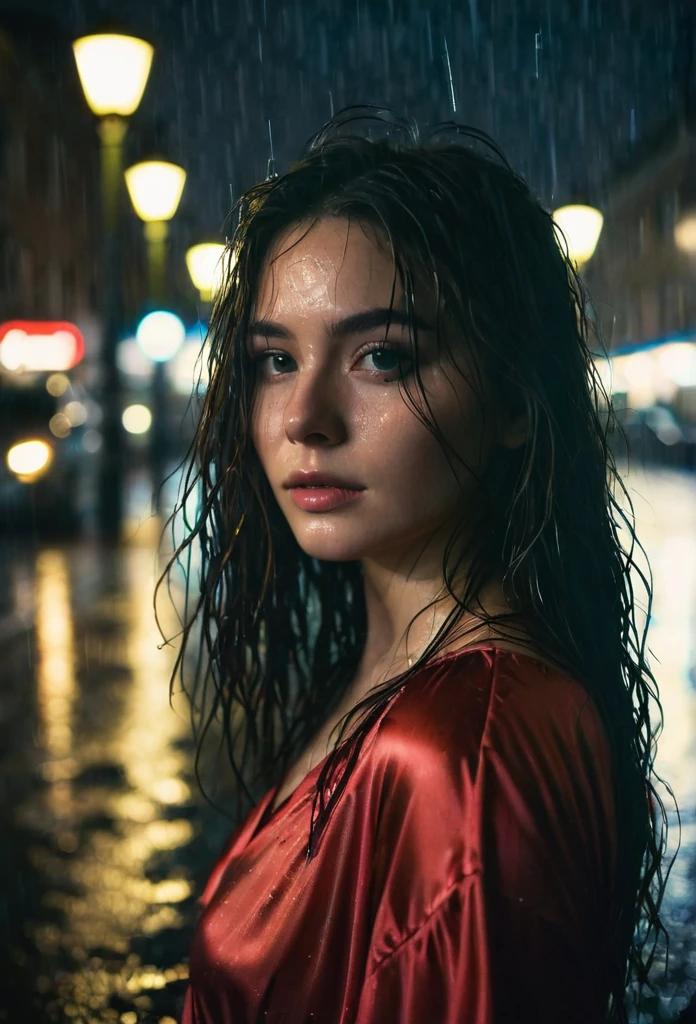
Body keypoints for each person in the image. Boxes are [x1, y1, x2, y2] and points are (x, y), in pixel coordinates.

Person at [158, 107, 674, 1023]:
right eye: (275, 359)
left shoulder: (463, 750)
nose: (303, 417)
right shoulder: (410, 683)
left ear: (516, 400)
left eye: (382, 356)